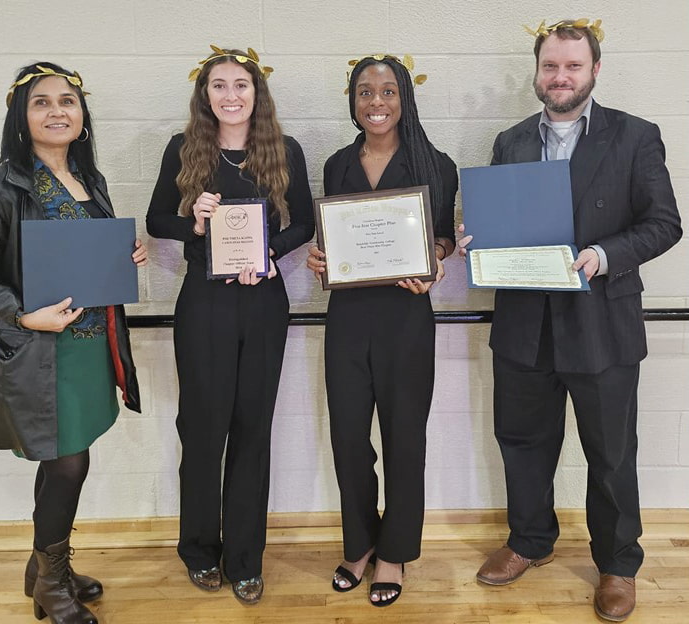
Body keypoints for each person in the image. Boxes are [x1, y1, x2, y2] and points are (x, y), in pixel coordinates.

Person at [458, 19, 682, 622]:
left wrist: (606, 255)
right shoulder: (510, 141)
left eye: (573, 66)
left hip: (600, 322)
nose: (560, 77)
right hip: (525, 325)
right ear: (537, 71)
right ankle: (529, 541)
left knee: (611, 453)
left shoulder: (636, 136)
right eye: (551, 66)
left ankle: (617, 563)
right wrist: (473, 239)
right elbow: (503, 228)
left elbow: (664, 224)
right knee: (523, 443)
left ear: (594, 71)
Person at [0, 62, 147, 624]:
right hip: (41, 351)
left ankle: (43, 567)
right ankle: (54, 585)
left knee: (67, 458)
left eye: (68, 100)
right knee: (68, 464)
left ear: (83, 115)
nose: (57, 111)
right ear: (22, 116)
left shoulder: (93, 181)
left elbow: (88, 259)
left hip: (89, 348)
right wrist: (23, 314)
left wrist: (124, 256)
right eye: (42, 102)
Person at [146, 46, 314, 605]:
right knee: (202, 428)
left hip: (265, 301)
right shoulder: (184, 148)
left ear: (256, 92)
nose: (230, 96)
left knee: (251, 430)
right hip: (205, 303)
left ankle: (245, 558)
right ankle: (199, 549)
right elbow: (155, 220)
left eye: (240, 85)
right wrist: (193, 221)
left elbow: (307, 222)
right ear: (205, 95)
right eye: (219, 86)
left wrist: (270, 255)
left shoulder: (284, 149)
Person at [307, 54, 457, 606]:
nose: (376, 103)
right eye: (365, 92)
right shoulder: (336, 164)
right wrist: (319, 260)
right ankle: (359, 542)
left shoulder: (436, 164)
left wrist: (436, 259)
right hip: (347, 316)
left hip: (405, 318)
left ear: (405, 98)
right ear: (352, 100)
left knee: (403, 437)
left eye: (388, 91)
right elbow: (328, 237)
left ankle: (394, 551)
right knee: (348, 438)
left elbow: (442, 238)